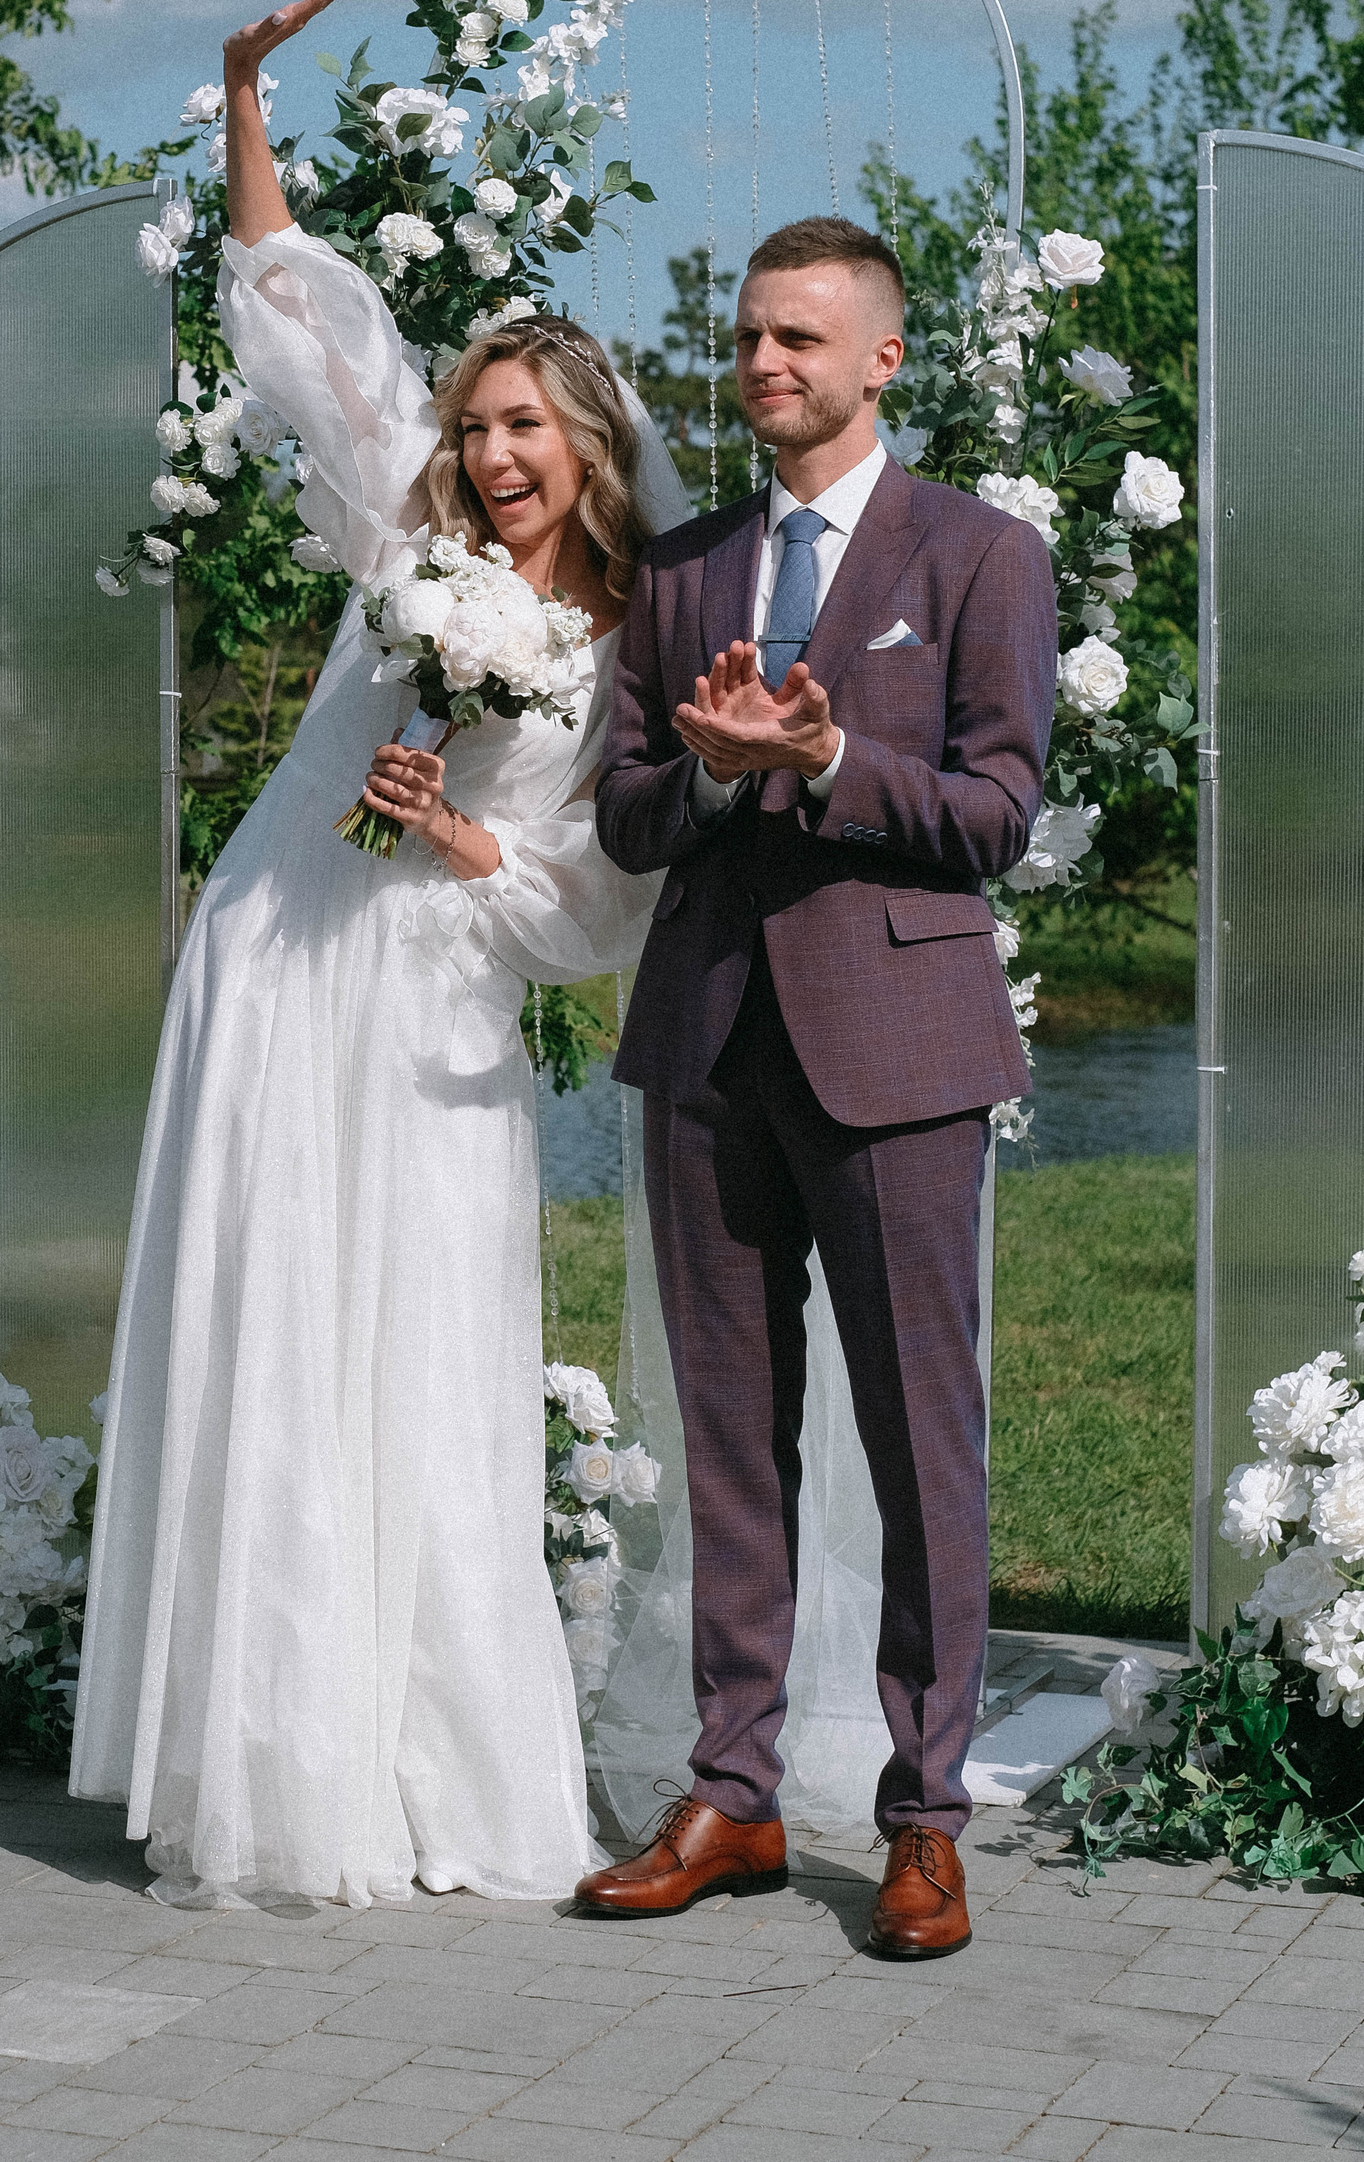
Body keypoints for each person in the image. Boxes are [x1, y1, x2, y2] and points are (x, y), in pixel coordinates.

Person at [70, 0, 692, 1909]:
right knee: (267, 1343)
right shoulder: (397, 544)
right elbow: (302, 322)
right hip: (278, 965)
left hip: (431, 1015)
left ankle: (441, 1777)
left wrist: (462, 842)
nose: (496, 457)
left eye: (530, 429)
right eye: (479, 423)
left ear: (589, 444)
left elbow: (598, 906)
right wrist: (246, 98)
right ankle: (271, 1772)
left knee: (420, 1360)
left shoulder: (629, 646)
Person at [580, 216, 1056, 1957]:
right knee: (728, 1440)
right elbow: (624, 814)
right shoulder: (683, 571)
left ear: (882, 359)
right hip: (707, 1049)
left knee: (925, 1443)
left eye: (798, 337)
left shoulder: (981, 554)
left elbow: (997, 814)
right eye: (748, 336)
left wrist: (834, 755)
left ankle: (925, 1820)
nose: (764, 363)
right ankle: (735, 1795)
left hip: (899, 1055)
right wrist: (714, 781)